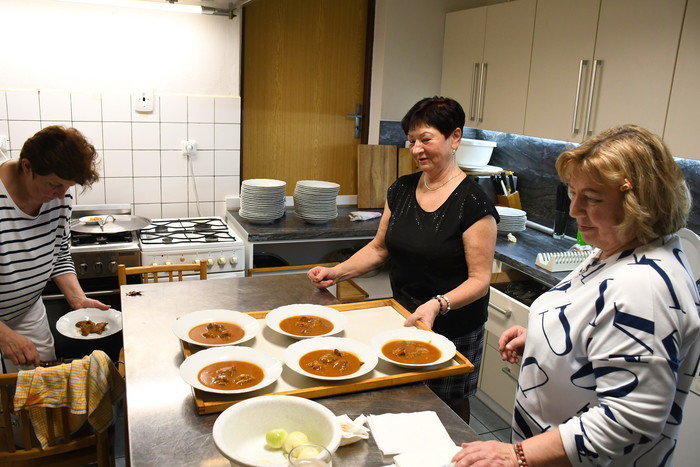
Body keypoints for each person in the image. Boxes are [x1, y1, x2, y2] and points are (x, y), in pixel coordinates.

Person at [451, 124, 700, 466]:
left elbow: (629, 419)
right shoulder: (618, 247)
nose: (574, 210)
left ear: (641, 202)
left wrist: (517, 455)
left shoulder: (645, 286)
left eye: (592, 199)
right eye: (573, 193)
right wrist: (546, 339)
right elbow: (599, 325)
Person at [308, 96, 499, 421]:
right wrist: (335, 272)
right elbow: (380, 248)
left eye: (426, 139)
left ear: (454, 137)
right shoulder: (402, 189)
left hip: (453, 326)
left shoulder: (473, 203)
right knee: (405, 400)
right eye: (411, 141)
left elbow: (480, 280)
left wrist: (437, 305)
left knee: (448, 408)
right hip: (404, 315)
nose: (416, 149)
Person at [0, 125, 109, 373]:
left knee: (42, 386)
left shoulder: (59, 198)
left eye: (67, 187)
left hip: (27, 311)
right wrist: (4, 335)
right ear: (27, 167)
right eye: (54, 185)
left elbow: (58, 253)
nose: (61, 195)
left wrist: (77, 298)